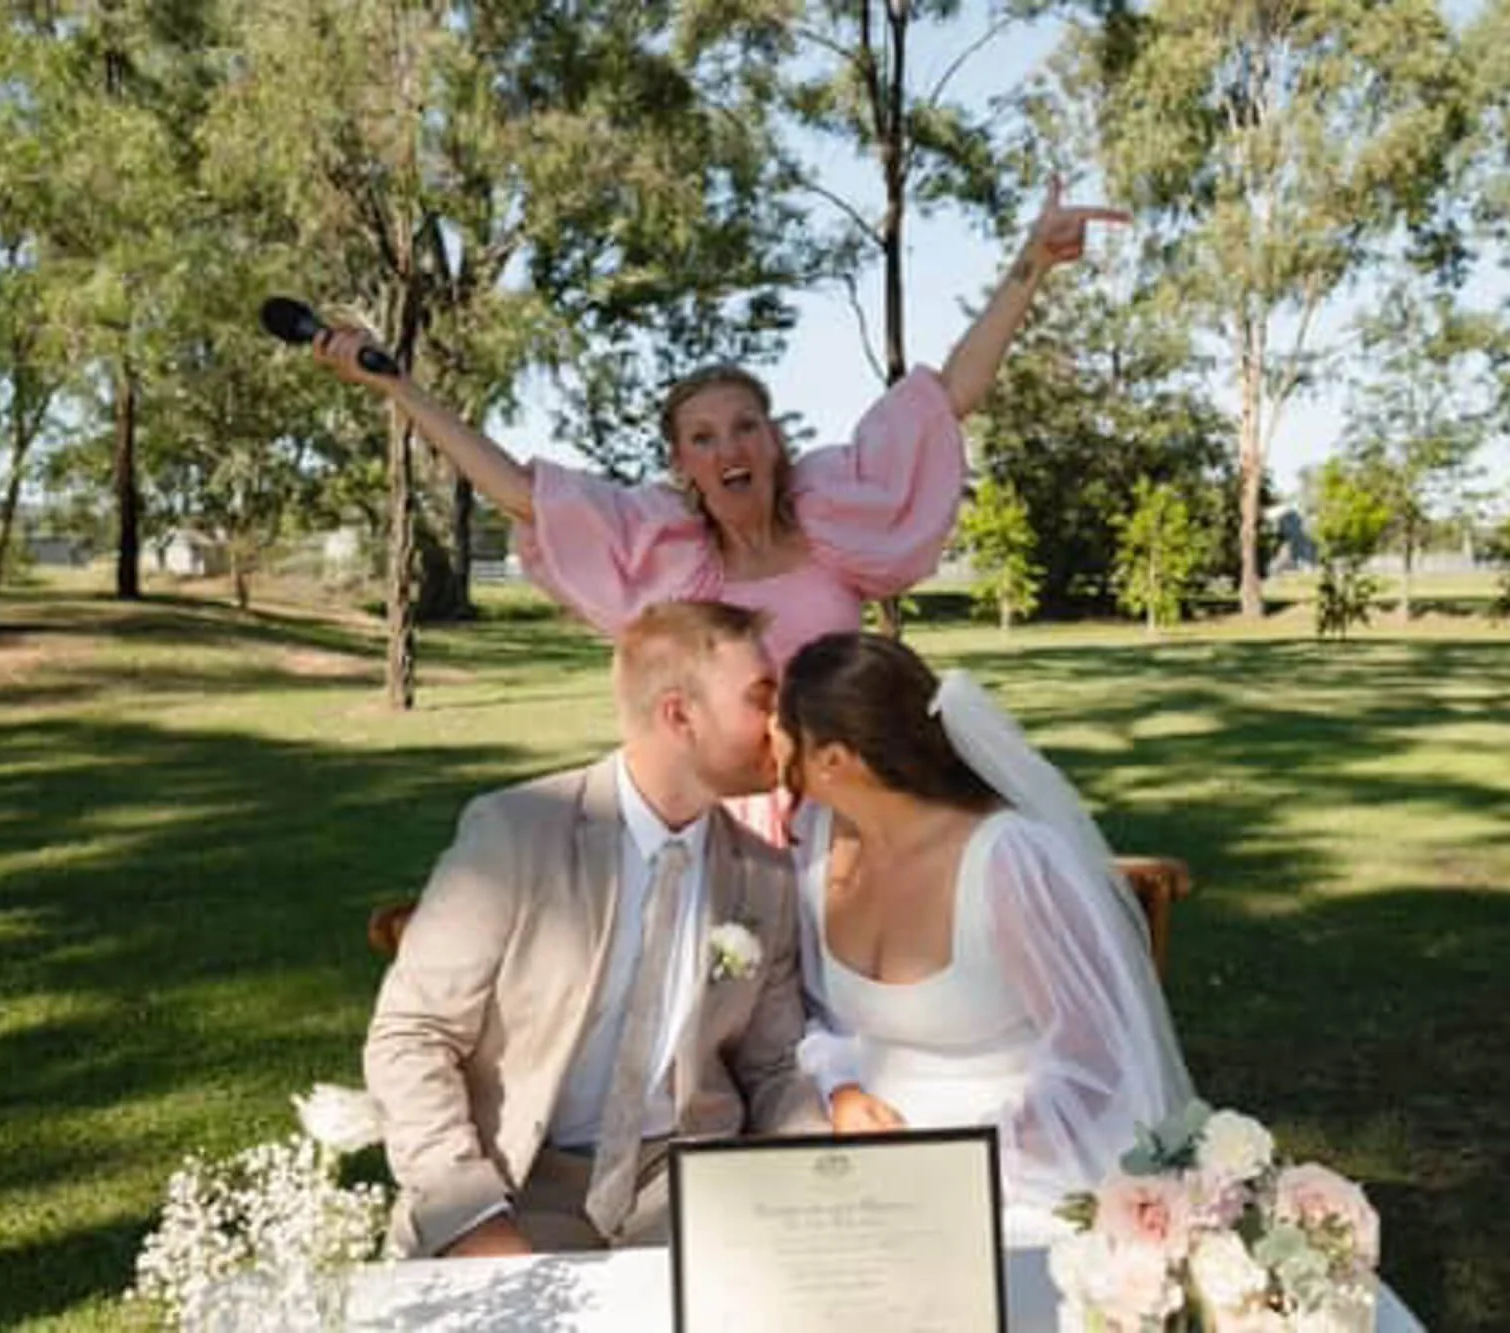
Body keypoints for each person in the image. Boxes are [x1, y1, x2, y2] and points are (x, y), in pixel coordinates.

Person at [310, 182, 1128, 672]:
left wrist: (1032, 264)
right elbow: (523, 494)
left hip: (850, 802)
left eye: (745, 427)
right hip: (730, 821)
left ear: (774, 442)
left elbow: (950, 392)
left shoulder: (836, 507)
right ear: (682, 464)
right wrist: (398, 387)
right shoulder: (668, 545)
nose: (729, 448)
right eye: (703, 439)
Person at [363, 601, 827, 1259]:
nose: (783, 722)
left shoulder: (765, 875)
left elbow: (774, 1062)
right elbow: (411, 1036)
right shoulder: (515, 832)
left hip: (685, 1180)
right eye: (763, 697)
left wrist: (824, 1178)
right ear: (678, 715)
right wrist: (470, 1215)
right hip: (519, 1176)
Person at [772, 632, 1194, 1239]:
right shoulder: (820, 840)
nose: (768, 733)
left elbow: (1095, 1060)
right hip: (862, 1155)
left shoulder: (1010, 860)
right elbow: (813, 1015)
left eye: (782, 721)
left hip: (1019, 1170)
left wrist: (961, 1165)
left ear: (834, 759)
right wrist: (839, 1090)